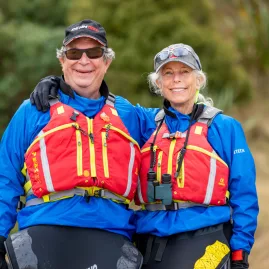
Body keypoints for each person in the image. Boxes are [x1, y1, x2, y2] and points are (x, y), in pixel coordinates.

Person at [30, 43, 258, 269]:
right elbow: (94, 100)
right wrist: (57, 84)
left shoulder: (224, 127)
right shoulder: (145, 123)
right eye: (168, 73)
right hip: (149, 242)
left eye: (184, 72)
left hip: (205, 236)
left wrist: (240, 253)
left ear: (199, 80)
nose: (176, 79)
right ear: (158, 84)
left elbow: (244, 194)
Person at [0, 19, 159, 269]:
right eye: (74, 53)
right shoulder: (33, 110)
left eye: (94, 52)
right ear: (62, 61)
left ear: (106, 62)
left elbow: (178, 123)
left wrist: (196, 96)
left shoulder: (129, 114)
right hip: (43, 234)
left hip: (111, 236)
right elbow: (5, 176)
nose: (83, 61)